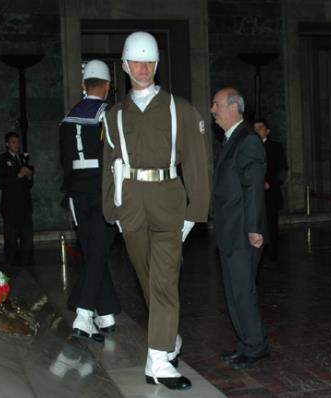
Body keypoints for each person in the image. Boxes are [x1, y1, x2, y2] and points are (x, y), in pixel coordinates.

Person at [102, 31, 211, 391]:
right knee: (148, 280)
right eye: (137, 61)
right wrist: (112, 210)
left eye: (149, 62)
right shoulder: (113, 116)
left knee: (164, 280)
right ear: (125, 66)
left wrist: (195, 212)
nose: (143, 68)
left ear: (157, 65)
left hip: (169, 203)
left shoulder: (180, 109)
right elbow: (109, 165)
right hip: (131, 205)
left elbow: (196, 163)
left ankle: (159, 359)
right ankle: (169, 336)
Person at [59, 60, 121, 343]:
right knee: (97, 253)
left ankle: (106, 314)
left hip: (75, 194)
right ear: (107, 86)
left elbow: (64, 161)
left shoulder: (68, 118)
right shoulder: (108, 114)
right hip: (102, 190)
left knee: (95, 251)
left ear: (83, 86)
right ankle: (84, 315)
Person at [211, 87, 269, 370]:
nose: (213, 110)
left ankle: (257, 346)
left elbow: (254, 187)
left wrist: (254, 228)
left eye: (216, 104)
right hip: (229, 230)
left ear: (234, 107)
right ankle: (246, 343)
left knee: (243, 290)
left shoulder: (247, 140)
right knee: (234, 290)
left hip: (243, 231)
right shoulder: (232, 139)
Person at [0, 132, 33, 267]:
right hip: (10, 204)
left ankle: (27, 262)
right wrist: (18, 175)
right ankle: (11, 263)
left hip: (25, 203)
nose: (17, 145)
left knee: (27, 234)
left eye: (18, 142)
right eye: (13, 142)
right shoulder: (1, 160)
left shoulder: (22, 159)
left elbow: (29, 184)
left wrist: (29, 176)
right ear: (7, 144)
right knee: (11, 235)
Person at [253, 118, 288, 261]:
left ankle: (273, 252)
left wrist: (270, 183)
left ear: (267, 131)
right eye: (255, 128)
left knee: (271, 223)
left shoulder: (275, 147)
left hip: (270, 192)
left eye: (260, 128)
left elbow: (282, 170)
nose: (257, 131)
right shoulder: (249, 147)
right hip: (253, 192)